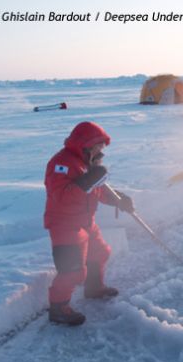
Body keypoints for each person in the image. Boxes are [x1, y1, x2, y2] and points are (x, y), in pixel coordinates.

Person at [44, 121, 135, 325]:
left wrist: (119, 200)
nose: (101, 150)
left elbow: (99, 190)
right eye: (98, 146)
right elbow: (62, 196)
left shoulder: (87, 162)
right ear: (85, 144)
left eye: (102, 147)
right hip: (64, 224)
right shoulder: (61, 164)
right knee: (72, 270)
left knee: (100, 253)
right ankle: (58, 308)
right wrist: (88, 180)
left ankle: (93, 288)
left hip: (85, 221)